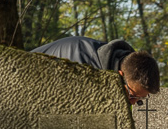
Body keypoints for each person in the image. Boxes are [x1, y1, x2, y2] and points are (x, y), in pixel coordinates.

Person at [31, 36, 160, 105]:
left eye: (140, 99)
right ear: (120, 75)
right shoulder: (81, 68)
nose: (132, 103)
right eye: (132, 96)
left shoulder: (111, 63)